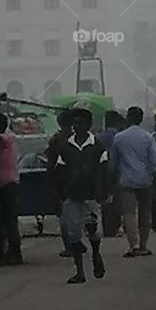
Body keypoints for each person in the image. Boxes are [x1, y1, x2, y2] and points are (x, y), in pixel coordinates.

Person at [53, 107, 107, 284]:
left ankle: (96, 255)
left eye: (80, 122)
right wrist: (61, 194)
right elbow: (59, 172)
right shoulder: (65, 147)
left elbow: (104, 171)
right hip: (72, 195)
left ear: (88, 124)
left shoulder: (98, 146)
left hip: (91, 195)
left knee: (93, 231)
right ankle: (80, 271)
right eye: (74, 123)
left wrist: (102, 193)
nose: (76, 126)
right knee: (73, 235)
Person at [110, 105, 156, 257]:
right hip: (145, 179)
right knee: (145, 212)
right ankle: (144, 244)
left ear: (128, 118)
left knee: (128, 213)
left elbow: (113, 162)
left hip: (126, 180)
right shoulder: (147, 137)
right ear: (141, 119)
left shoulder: (119, 137)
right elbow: (154, 162)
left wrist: (112, 179)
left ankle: (134, 244)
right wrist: (154, 180)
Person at [46, 107, 75, 257]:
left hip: (60, 180)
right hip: (77, 180)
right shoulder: (79, 137)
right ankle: (76, 241)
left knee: (63, 214)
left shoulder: (55, 140)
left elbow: (50, 164)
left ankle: (69, 246)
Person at [0, 113, 22, 265]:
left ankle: (12, 252)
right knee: (9, 220)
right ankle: (13, 251)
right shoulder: (10, 136)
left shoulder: (2, 139)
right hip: (10, 182)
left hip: (4, 183)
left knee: (6, 220)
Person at [99, 111, 125, 238]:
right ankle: (114, 227)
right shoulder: (119, 137)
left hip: (102, 172)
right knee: (117, 200)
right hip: (117, 172)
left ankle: (106, 228)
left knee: (105, 199)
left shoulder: (99, 137)